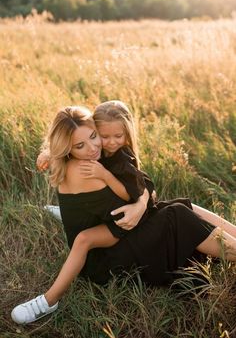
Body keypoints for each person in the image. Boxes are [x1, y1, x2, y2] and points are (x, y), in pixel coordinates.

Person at [11, 102, 236, 325]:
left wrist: (141, 202)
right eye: (80, 145)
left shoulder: (86, 159)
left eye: (92, 136)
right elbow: (125, 214)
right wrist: (141, 203)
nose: (93, 147)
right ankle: (48, 301)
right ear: (67, 148)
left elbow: (141, 183)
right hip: (106, 260)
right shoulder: (86, 171)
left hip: (111, 239)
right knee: (177, 215)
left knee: (182, 207)